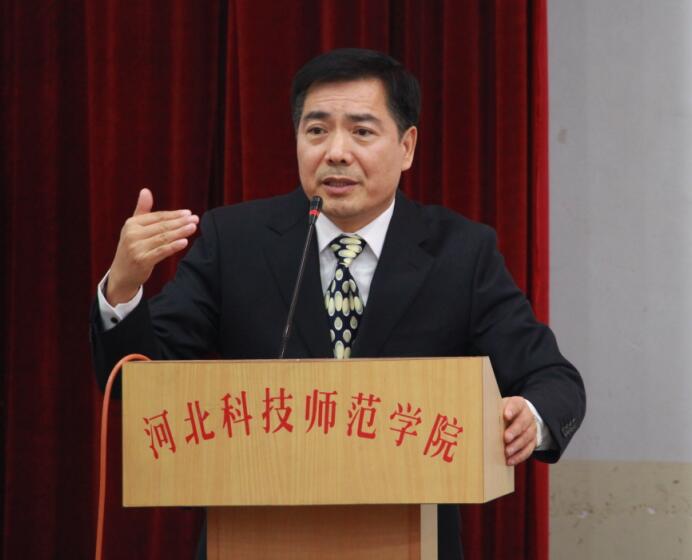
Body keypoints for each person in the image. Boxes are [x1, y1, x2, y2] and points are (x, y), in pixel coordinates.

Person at [91, 48, 585, 559]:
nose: (336, 152)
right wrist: (123, 288)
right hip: (255, 536)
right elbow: (137, 381)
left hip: (409, 539)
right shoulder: (234, 241)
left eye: (362, 131)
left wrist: (528, 417)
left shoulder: (461, 252)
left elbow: (554, 380)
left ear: (407, 146)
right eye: (317, 130)